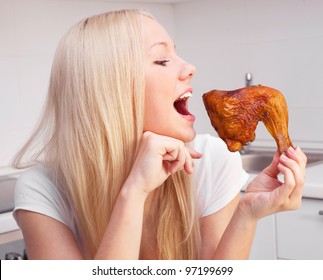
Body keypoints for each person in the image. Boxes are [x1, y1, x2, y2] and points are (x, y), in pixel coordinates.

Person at [12, 9, 307, 260]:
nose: (190, 68)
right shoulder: (43, 189)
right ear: (110, 90)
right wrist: (134, 191)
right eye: (162, 60)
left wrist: (247, 214)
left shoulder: (211, 161)